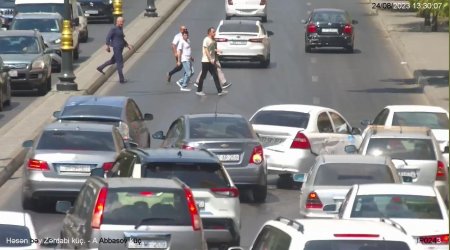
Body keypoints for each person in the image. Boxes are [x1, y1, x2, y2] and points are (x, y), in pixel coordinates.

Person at [97, 16, 133, 84]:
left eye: (123, 22)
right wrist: (107, 46)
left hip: (120, 47)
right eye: (121, 22)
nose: (122, 23)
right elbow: (108, 37)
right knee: (120, 63)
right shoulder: (113, 28)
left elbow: (122, 39)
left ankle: (100, 68)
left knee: (112, 61)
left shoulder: (120, 28)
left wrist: (127, 45)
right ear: (117, 21)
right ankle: (121, 79)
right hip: (117, 48)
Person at [196, 27, 227, 96]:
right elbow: (206, 50)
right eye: (213, 32)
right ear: (209, 32)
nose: (214, 33)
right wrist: (210, 59)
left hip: (211, 61)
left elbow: (212, 49)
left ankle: (220, 91)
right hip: (206, 61)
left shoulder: (213, 40)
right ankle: (199, 90)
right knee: (203, 76)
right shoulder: (206, 40)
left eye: (214, 31)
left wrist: (218, 50)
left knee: (215, 76)